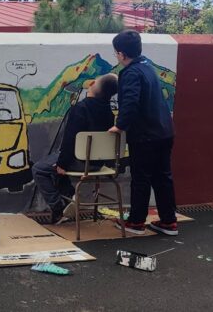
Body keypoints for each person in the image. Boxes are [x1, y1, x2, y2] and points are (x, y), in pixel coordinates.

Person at [109, 30, 178, 236]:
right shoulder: (147, 67)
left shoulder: (130, 73)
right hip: (164, 132)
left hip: (145, 135)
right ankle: (169, 221)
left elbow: (131, 101)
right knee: (163, 177)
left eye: (116, 53)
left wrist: (120, 125)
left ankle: (136, 222)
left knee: (141, 178)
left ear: (121, 54)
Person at [31, 74, 118, 222]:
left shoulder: (80, 108)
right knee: (56, 165)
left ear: (93, 86)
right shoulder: (108, 112)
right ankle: (70, 196)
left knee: (39, 169)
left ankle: (58, 208)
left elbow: (70, 140)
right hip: (98, 164)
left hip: (79, 161)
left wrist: (62, 164)